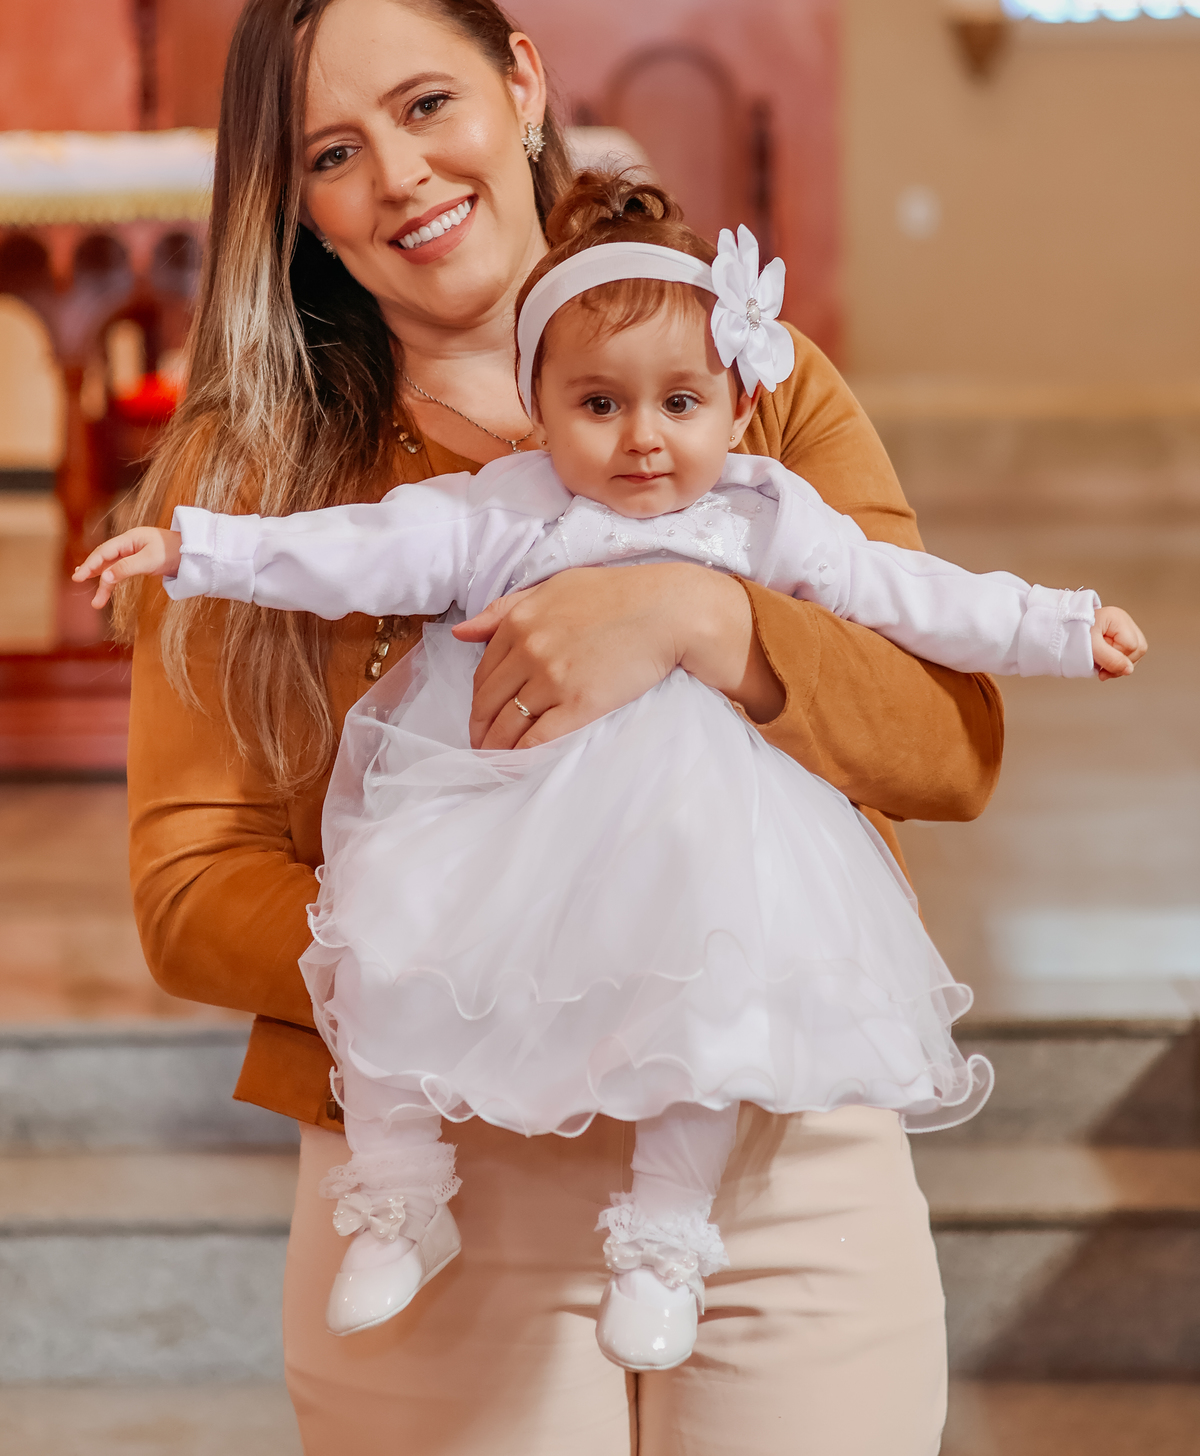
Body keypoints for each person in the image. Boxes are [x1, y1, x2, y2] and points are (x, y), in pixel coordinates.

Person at [108, 0, 1012, 1455]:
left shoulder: (751, 382)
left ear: (520, 84)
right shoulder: (253, 473)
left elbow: (947, 742)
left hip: (771, 1155)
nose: (400, 174)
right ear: (298, 204)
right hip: (434, 1179)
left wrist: (698, 618)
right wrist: (499, 956)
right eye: (333, 152)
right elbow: (187, 888)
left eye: (427, 104)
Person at [82, 174, 1145, 1374]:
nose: (643, 436)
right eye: (599, 404)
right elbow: (359, 549)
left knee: (709, 985)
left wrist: (1063, 625)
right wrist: (198, 547)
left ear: (740, 404)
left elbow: (915, 598)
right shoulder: (504, 509)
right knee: (381, 934)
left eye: (680, 402)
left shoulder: (765, 516)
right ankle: (400, 1194)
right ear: (538, 408)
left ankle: (666, 1238)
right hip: (505, 822)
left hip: (694, 825)